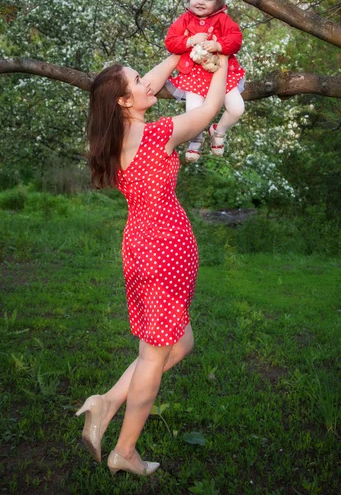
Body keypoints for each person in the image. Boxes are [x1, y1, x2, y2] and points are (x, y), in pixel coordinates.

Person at [76, 53, 228, 477]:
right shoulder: (159, 133)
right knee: (153, 355)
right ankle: (124, 451)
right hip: (164, 251)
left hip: (140, 246)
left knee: (179, 344)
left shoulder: (115, 138)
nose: (150, 83)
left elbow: (152, 83)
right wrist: (222, 67)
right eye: (139, 81)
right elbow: (210, 109)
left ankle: (106, 401)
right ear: (125, 101)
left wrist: (182, 52)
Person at [165, 0, 246, 162]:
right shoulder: (184, 20)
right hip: (194, 75)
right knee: (194, 112)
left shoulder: (223, 20)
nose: (200, 2)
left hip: (220, 74)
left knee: (237, 108)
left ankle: (218, 131)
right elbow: (170, 42)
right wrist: (190, 40)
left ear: (217, 2)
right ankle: (196, 138)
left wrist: (219, 45)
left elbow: (236, 39)